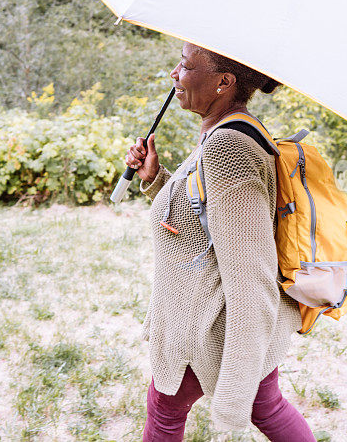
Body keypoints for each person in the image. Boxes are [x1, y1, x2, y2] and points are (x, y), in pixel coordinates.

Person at [125, 42, 316, 441]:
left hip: (212, 326)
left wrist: (231, 401)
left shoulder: (229, 148)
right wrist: (154, 180)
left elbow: (252, 281)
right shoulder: (225, 132)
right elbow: (205, 217)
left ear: (223, 82)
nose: (174, 75)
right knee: (268, 405)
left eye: (185, 64)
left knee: (164, 410)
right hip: (215, 317)